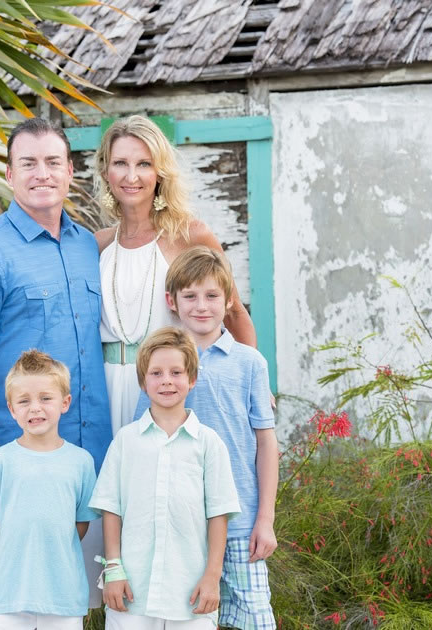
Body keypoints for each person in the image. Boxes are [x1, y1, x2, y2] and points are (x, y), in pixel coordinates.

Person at [0, 117, 111, 630]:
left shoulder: (87, 245)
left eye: (53, 163)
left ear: (70, 172)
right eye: (29, 163)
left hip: (85, 455)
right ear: (10, 174)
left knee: (76, 597)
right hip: (11, 459)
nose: (42, 174)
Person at [135, 247, 278, 629]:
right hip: (181, 523)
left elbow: (266, 444)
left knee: (255, 620)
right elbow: (142, 443)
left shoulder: (250, 363)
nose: (202, 306)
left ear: (229, 300)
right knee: (191, 620)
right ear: (172, 301)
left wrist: (266, 517)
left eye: (213, 296)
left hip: (241, 521)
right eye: (190, 296)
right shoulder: (162, 365)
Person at [94, 115, 258, 435]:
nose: (131, 175)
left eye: (144, 164)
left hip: (171, 386)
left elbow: (234, 311)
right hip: (107, 388)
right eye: (120, 163)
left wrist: (253, 388)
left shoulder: (191, 236)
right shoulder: (98, 245)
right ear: (105, 171)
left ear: (160, 173)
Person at [90, 327, 240, 630]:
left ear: (192, 379)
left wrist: (212, 577)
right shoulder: (126, 441)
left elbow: (219, 515)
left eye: (176, 372)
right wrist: (114, 568)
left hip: (190, 594)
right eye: (156, 373)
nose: (167, 380)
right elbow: (111, 509)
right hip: (133, 592)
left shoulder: (209, 443)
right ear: (143, 382)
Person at [0, 350, 99, 630]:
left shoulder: (81, 462)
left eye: (46, 398)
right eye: (24, 401)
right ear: (12, 409)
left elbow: (80, 523)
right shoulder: (0, 461)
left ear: (65, 402)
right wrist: (12, 555)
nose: (35, 408)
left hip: (62, 593)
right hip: (8, 592)